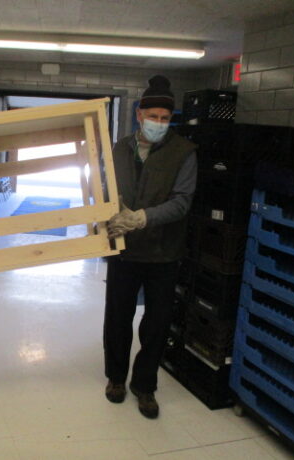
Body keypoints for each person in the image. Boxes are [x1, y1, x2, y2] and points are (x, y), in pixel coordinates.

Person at [103, 75, 197, 419]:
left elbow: (183, 202)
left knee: (156, 323)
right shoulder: (120, 148)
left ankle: (145, 385)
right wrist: (105, 213)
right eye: (153, 115)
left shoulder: (184, 152)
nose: (158, 123)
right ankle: (115, 378)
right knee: (117, 318)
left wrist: (142, 217)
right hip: (124, 251)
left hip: (163, 253)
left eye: (165, 118)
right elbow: (107, 188)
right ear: (139, 114)